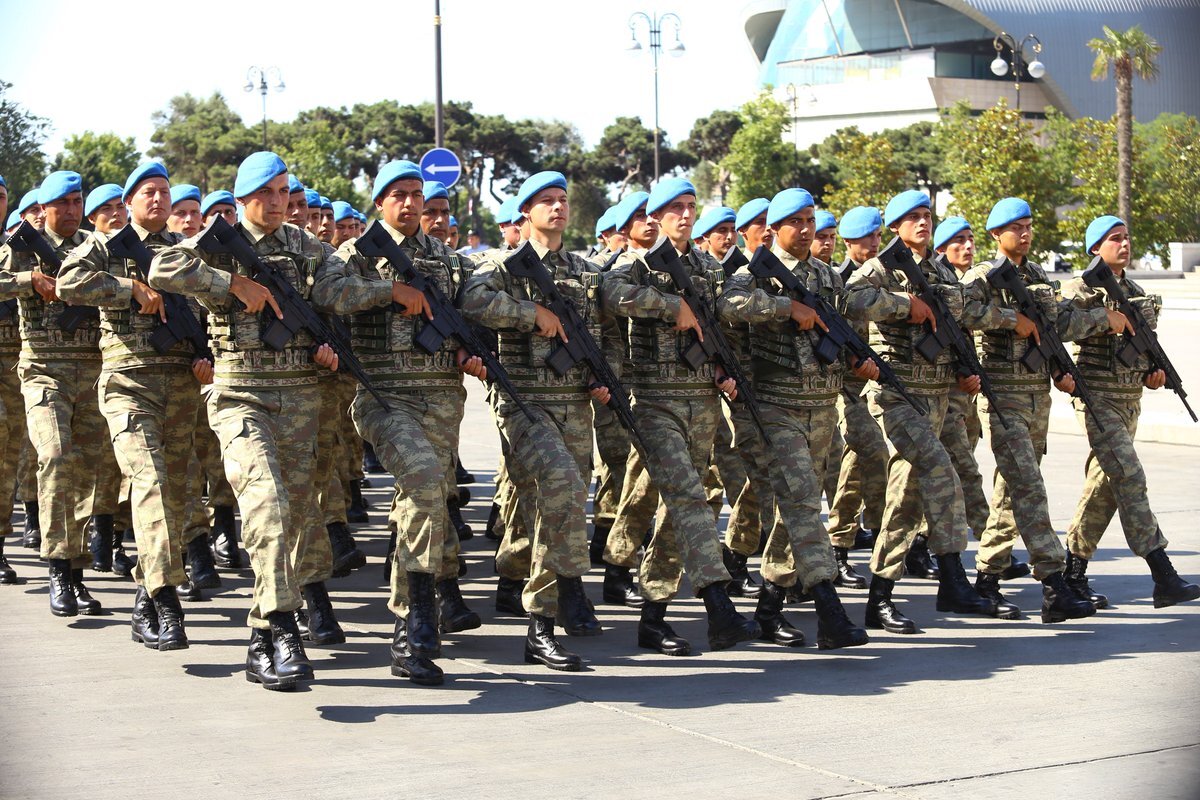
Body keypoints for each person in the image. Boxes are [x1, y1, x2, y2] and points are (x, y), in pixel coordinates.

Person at [149, 152, 342, 691]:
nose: (280, 202)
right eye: (269, 192)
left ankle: (262, 637)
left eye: (285, 191)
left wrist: (334, 341)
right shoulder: (218, 241)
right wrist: (231, 284)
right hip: (239, 395)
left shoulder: (308, 248)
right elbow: (161, 268)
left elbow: (339, 292)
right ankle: (279, 627)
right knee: (268, 507)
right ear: (243, 199)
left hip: (301, 397)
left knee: (298, 519)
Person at [318, 160, 482, 685]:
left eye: (417, 194)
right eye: (399, 194)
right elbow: (331, 296)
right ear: (379, 202)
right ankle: (411, 619)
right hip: (384, 398)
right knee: (423, 481)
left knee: (430, 499)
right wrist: (389, 291)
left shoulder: (447, 259)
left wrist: (471, 350)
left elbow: (471, 309)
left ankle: (420, 603)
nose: (410, 203)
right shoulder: (356, 254)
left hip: (441, 400)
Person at [58, 161, 217, 648]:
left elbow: (216, 309)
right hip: (129, 383)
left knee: (173, 496)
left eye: (164, 192)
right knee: (148, 485)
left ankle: (147, 598)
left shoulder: (188, 253)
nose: (159, 200)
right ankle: (167, 602)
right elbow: (68, 283)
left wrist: (207, 356)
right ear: (130, 201)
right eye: (148, 192)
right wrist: (129, 289)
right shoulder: (106, 246)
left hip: (181, 387)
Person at [603, 177, 760, 656]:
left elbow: (722, 320)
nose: (686, 216)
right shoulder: (634, 263)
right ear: (655, 217)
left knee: (678, 507)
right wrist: (673, 306)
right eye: (675, 209)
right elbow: (613, 294)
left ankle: (654, 616)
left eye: (691, 207)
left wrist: (724, 369)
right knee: (691, 496)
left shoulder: (707, 267)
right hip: (654, 402)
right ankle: (718, 606)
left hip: (702, 400)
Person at [463, 171, 610, 671]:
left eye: (563, 200)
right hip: (524, 401)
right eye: (546, 201)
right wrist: (530, 313)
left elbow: (596, 333)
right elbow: (473, 302)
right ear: (525, 212)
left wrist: (600, 376)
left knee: (552, 503)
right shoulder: (502, 266)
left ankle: (539, 581)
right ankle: (542, 621)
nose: (557, 208)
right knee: (561, 488)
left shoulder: (584, 270)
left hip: (574, 402)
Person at [718, 188, 871, 648]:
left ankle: (768, 608)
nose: (806, 229)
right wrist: (788, 308)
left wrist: (858, 363)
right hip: (774, 407)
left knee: (794, 508)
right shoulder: (752, 273)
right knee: (804, 499)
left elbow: (845, 329)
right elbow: (729, 306)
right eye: (796, 222)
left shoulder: (826, 274)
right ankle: (830, 609)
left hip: (822, 406)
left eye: (810, 220)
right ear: (775, 230)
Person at [960, 197, 1118, 622]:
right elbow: (962, 312)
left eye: (1029, 226)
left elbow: (1057, 325)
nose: (1025, 234)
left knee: (1012, 490)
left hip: (1035, 396)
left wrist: (1060, 364)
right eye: (1017, 228)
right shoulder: (982, 276)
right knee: (1028, 486)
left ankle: (986, 581)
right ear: (996, 235)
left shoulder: (1036, 275)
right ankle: (1054, 584)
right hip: (1004, 397)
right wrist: (1011, 319)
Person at [844, 190, 995, 634]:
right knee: (938, 472)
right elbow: (851, 300)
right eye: (912, 217)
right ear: (894, 227)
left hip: (940, 397)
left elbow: (959, 319)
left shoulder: (937, 270)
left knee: (909, 495)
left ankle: (901, 594)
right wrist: (904, 305)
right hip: (898, 397)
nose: (923, 222)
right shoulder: (879, 268)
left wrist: (964, 372)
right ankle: (934, 584)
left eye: (927, 215)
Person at [1059, 215, 1199, 609]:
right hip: (1096, 399)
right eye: (1114, 239)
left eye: (1126, 238)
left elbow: (1142, 352)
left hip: (1127, 401)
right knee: (1130, 475)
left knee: (1104, 488)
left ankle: (1073, 575)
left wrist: (1152, 375)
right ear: (1095, 248)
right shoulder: (1079, 289)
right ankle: (1163, 573)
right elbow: (1058, 325)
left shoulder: (1135, 291)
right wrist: (1104, 317)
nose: (1124, 244)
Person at [0, 171, 119, 617]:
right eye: (62, 204)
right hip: (43, 371)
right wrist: (26, 280)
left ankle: (75, 570)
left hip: (92, 370)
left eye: (76, 201)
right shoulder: (21, 245)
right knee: (54, 456)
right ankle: (56, 566)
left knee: (87, 472)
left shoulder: (96, 246)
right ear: (44, 209)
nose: (71, 211)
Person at [825, 206, 886, 583]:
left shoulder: (884, 277)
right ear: (849, 243)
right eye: (867, 239)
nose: (875, 244)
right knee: (862, 456)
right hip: (843, 386)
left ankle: (885, 540)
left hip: (876, 382)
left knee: (874, 460)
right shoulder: (837, 280)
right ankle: (839, 544)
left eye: (878, 237)